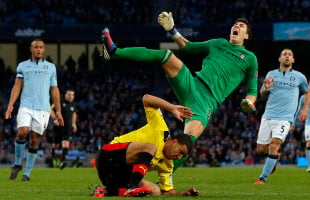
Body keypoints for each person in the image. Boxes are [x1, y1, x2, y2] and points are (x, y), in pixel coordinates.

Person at [100, 12, 258, 170]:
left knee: (186, 143)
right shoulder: (218, 43)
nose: (236, 26)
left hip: (207, 102)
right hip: (193, 84)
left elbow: (252, 89)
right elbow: (188, 47)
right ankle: (114, 52)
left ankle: (164, 183)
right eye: (235, 25)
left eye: (241, 26)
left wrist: (249, 102)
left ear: (247, 36)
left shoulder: (250, 58)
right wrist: (172, 30)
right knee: (166, 55)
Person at [95, 94, 200, 197]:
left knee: (155, 191)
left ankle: (106, 192)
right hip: (108, 156)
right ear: (174, 141)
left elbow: (167, 191)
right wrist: (172, 108)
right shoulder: (160, 129)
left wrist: (183, 194)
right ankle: (132, 188)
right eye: (181, 152)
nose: (179, 157)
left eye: (183, 156)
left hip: (115, 175)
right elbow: (146, 98)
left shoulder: (168, 165)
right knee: (151, 147)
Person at [5, 39, 64, 181]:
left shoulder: (50, 67)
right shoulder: (23, 66)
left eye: (41, 47)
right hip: (26, 105)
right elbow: (17, 86)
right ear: (31, 49)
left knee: (34, 141)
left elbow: (54, 89)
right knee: (22, 131)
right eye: (36, 47)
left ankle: (27, 173)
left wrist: (58, 111)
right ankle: (18, 164)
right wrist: (10, 105)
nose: (38, 49)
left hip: (43, 109)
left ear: (44, 50)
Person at [254, 49, 309, 184]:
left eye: (290, 55)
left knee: (275, 143)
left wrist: (305, 109)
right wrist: (266, 88)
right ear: (279, 59)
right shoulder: (271, 74)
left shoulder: (299, 77)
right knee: (261, 149)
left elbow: (307, 92)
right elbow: (262, 94)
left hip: (285, 118)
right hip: (268, 116)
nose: (287, 57)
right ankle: (275, 157)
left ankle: (262, 178)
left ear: (293, 60)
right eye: (284, 54)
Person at [50, 89, 77, 169]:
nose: (71, 96)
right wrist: (55, 119)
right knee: (56, 144)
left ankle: (62, 161)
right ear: (65, 95)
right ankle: (52, 154)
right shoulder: (58, 102)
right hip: (58, 126)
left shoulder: (73, 104)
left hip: (68, 127)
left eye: (72, 95)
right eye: (69, 94)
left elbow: (74, 114)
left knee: (65, 143)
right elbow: (50, 109)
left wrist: (74, 123)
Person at [291, 89, 310, 172]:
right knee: (309, 143)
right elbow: (299, 111)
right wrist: (293, 124)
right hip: (309, 123)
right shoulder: (303, 97)